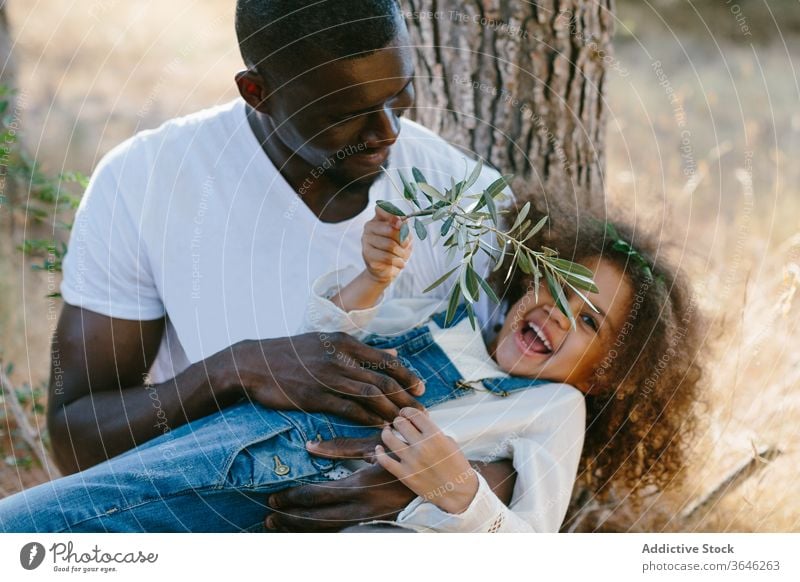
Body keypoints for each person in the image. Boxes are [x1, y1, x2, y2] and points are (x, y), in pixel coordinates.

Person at [0, 0, 520, 532]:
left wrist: (441, 488)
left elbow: (540, 417)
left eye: (399, 98)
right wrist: (237, 370)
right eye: (345, 114)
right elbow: (78, 440)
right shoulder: (146, 181)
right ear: (258, 92)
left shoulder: (465, 201)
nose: (387, 132)